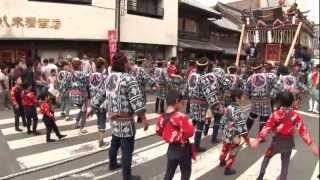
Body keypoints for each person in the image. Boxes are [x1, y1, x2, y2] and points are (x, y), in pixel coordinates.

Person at [89, 52, 148, 180]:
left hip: (113, 120)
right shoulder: (128, 79)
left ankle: (113, 163)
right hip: (126, 121)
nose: (129, 64)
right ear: (124, 63)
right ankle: (127, 176)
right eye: (127, 62)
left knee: (115, 142)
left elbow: (101, 94)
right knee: (127, 149)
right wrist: (143, 118)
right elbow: (136, 100)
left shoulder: (109, 77)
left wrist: (92, 107)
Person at [251, 91, 319, 180]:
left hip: (276, 143)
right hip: (288, 144)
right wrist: (311, 144)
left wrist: (257, 140)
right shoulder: (295, 115)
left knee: (267, 157)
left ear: (280, 102)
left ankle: (261, 176)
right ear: (292, 102)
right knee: (285, 165)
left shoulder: (275, 114)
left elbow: (266, 128)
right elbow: (303, 131)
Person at [156, 90, 195, 180]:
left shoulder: (162, 117)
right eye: (182, 103)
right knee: (185, 172)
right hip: (183, 149)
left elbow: (158, 131)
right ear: (177, 101)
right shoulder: (180, 116)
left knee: (169, 173)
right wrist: (192, 126)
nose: (183, 106)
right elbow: (190, 133)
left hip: (171, 149)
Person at [188, 57, 220, 152]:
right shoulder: (203, 78)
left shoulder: (192, 75)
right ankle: (196, 146)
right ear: (206, 67)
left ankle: (186, 140)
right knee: (200, 124)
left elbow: (188, 88)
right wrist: (216, 105)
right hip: (201, 104)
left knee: (194, 122)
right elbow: (209, 93)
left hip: (192, 102)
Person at [219, 89, 250, 175]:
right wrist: (247, 139)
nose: (244, 98)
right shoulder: (238, 111)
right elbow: (242, 127)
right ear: (237, 98)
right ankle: (228, 169)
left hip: (226, 132)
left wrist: (222, 130)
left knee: (225, 147)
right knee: (233, 152)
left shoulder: (229, 107)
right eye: (242, 96)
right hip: (235, 135)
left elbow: (223, 120)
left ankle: (222, 160)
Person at [245, 64, 277, 136]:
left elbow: (246, 90)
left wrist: (250, 97)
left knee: (252, 115)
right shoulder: (270, 76)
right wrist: (272, 96)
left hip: (255, 100)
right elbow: (277, 86)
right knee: (264, 117)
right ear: (262, 69)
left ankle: (245, 131)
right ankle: (260, 134)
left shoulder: (250, 78)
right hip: (265, 99)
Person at [89, 57, 109, 147]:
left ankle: (100, 139)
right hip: (102, 102)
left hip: (93, 101)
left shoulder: (91, 75)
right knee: (102, 121)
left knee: (99, 120)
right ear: (103, 66)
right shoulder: (105, 77)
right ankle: (101, 141)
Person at [69, 57, 89, 134]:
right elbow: (87, 82)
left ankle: (76, 124)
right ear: (79, 66)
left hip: (73, 95)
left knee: (81, 109)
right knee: (84, 111)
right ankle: (82, 128)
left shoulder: (71, 73)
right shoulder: (82, 73)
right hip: (82, 95)